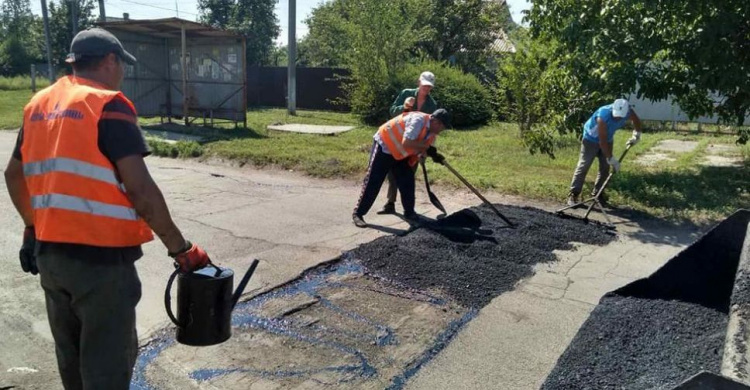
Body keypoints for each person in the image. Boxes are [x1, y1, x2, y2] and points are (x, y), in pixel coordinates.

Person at [4, 27, 211, 390]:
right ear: (110, 61)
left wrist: (31, 229)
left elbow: (13, 174)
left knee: (72, 364)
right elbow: (140, 189)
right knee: (106, 371)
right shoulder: (106, 104)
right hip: (100, 267)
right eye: (122, 66)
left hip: (51, 258)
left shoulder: (38, 104)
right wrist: (182, 249)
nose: (122, 75)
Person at [352, 108, 451, 228]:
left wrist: (432, 155)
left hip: (400, 154)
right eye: (442, 127)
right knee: (374, 180)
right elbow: (407, 142)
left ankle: (409, 213)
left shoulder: (432, 134)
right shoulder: (418, 121)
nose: (442, 130)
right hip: (385, 146)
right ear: (436, 122)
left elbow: (422, 149)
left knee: (407, 182)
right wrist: (427, 149)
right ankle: (358, 213)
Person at [377, 71, 439, 215]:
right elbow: (393, 112)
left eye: (429, 87)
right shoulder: (406, 94)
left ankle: (408, 209)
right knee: (393, 173)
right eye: (424, 85)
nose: (426, 89)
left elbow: (431, 127)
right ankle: (390, 203)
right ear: (419, 83)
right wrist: (405, 107)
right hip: (398, 140)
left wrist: (424, 150)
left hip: (415, 145)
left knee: (409, 174)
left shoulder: (431, 105)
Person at [567, 98, 643, 207]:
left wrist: (637, 135)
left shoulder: (628, 111)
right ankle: (573, 194)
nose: (617, 118)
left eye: (620, 117)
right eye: (616, 115)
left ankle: (598, 195)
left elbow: (636, 120)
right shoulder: (602, 115)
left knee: (605, 169)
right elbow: (602, 142)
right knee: (584, 165)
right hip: (590, 139)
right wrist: (612, 159)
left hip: (607, 139)